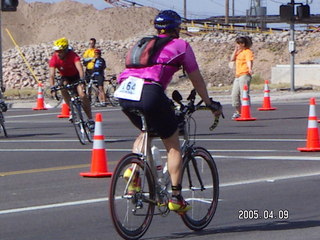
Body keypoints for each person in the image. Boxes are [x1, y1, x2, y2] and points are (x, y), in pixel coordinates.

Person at [117, 10, 222, 214]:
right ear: (177, 28)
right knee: (172, 144)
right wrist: (209, 103)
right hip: (150, 92)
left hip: (125, 91)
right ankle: (176, 197)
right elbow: (196, 78)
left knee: (146, 131)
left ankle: (134, 170)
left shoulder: (144, 43)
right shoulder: (180, 46)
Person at [48, 37, 95, 130]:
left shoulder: (73, 55)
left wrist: (82, 80)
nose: (58, 53)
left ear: (65, 50)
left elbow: (80, 69)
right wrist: (52, 87)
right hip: (65, 77)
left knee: (82, 95)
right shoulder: (54, 58)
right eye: (56, 51)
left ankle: (90, 119)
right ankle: (71, 110)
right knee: (62, 86)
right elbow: (51, 75)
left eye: (60, 51)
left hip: (76, 76)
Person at [230, 36, 254, 119]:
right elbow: (232, 59)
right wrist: (236, 50)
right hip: (237, 75)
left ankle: (245, 111)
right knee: (234, 94)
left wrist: (250, 69)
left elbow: (248, 61)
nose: (236, 45)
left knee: (243, 94)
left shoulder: (248, 52)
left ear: (242, 44)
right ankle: (238, 112)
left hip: (244, 74)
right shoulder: (239, 52)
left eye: (238, 44)